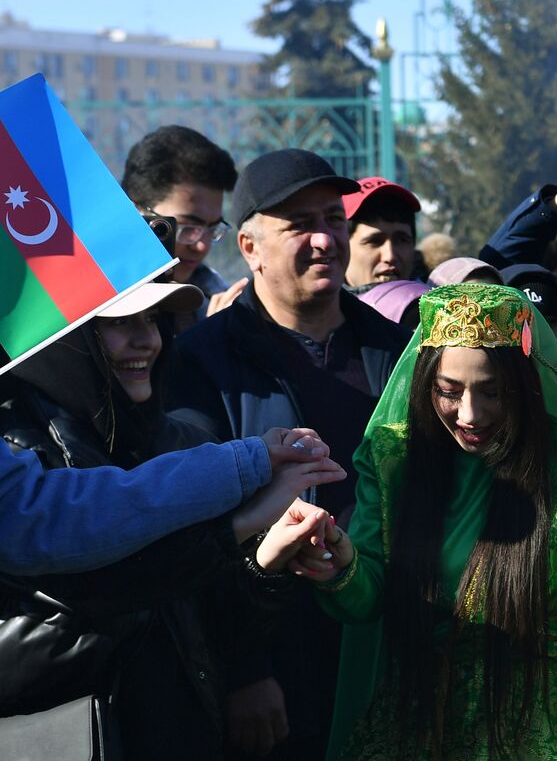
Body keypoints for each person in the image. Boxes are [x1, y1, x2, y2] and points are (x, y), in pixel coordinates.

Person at [276, 283, 557, 759]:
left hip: (535, 728)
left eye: (493, 392)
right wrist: (340, 565)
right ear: (424, 381)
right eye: (448, 392)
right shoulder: (394, 458)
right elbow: (368, 597)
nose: (470, 415)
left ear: (526, 384)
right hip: (412, 724)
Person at [0, 280, 345, 759]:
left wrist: (265, 562)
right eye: (118, 323)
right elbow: (95, 595)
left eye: (153, 320)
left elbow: (213, 615)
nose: (148, 340)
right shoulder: (22, 456)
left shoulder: (180, 441)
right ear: (63, 340)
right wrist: (232, 528)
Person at [166, 148, 412, 759]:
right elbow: (195, 529)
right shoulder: (201, 362)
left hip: (394, 648)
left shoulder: (400, 348)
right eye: (300, 224)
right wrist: (246, 668)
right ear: (249, 247)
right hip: (278, 669)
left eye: (333, 218)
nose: (325, 239)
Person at [121, 125, 243, 320]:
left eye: (212, 229)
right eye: (188, 227)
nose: (202, 246)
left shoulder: (216, 301)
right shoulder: (88, 309)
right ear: (135, 214)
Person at [343, 176, 422, 292]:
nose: (390, 256)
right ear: (341, 247)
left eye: (401, 240)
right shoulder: (315, 308)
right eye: (374, 241)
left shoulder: (440, 306)